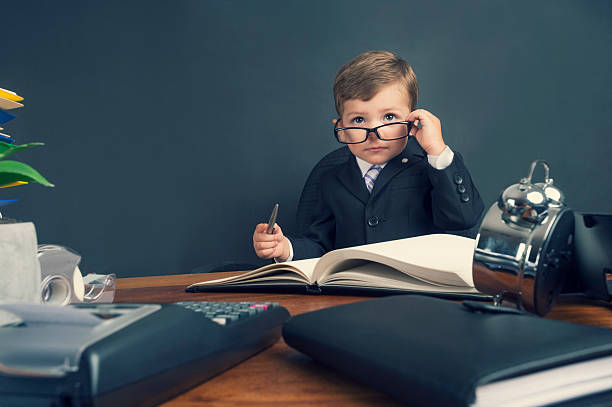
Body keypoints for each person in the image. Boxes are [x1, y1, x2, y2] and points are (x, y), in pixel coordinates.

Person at [253, 50, 484, 262]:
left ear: (412, 120)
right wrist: (284, 248)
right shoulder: (331, 178)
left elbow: (464, 218)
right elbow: (320, 246)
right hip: (351, 292)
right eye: (359, 120)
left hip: (417, 292)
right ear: (341, 128)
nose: (375, 133)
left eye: (390, 117)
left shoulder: (431, 165)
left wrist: (437, 150)